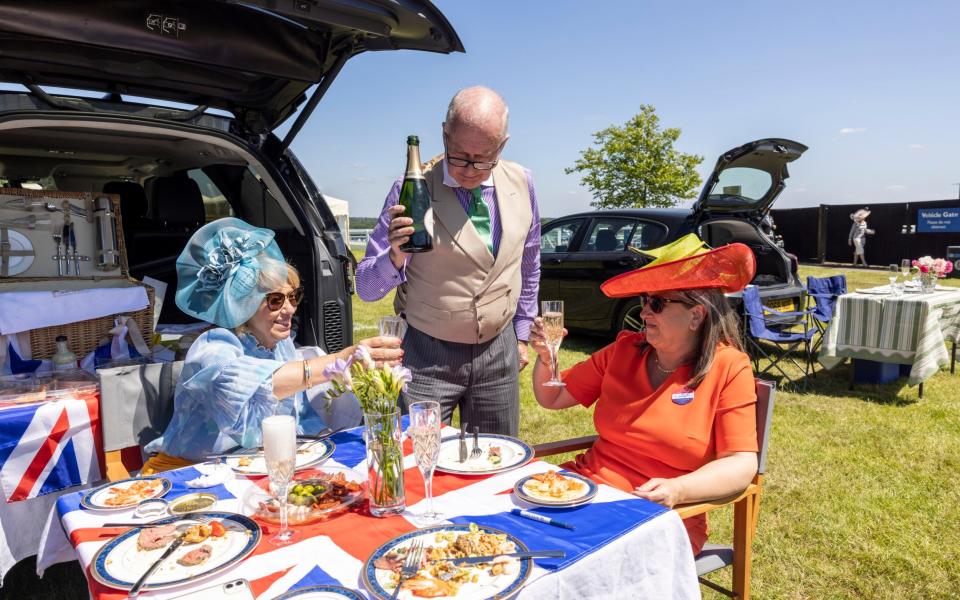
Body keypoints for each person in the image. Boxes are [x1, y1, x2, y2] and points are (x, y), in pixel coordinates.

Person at [528, 234, 760, 555]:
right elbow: (553, 397)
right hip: (580, 491)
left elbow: (741, 463)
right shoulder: (625, 349)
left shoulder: (729, 367)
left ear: (697, 315)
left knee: (552, 560)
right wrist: (546, 357)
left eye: (658, 303)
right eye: (645, 301)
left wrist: (679, 489)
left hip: (658, 513)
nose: (645, 313)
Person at [142, 217, 402, 474]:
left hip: (252, 468)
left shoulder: (281, 346)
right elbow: (260, 384)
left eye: (293, 296)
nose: (289, 309)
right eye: (275, 300)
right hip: (188, 473)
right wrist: (339, 360)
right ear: (243, 304)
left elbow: (299, 413)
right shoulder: (212, 348)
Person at [355, 86, 540, 436]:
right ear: (444, 134)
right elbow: (365, 288)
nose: (469, 169)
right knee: (416, 461)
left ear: (502, 145)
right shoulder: (409, 187)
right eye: (458, 155)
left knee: (496, 463)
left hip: (499, 353)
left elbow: (529, 264)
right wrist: (394, 256)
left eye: (483, 158)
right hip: (426, 356)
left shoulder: (523, 182)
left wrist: (523, 333)